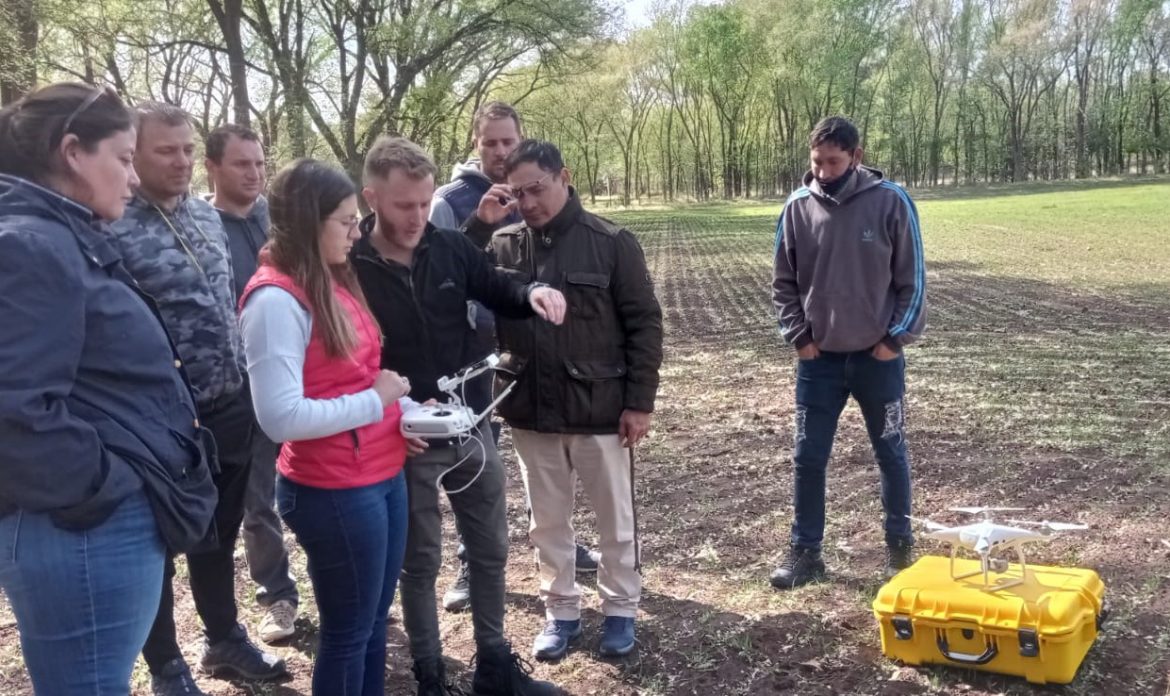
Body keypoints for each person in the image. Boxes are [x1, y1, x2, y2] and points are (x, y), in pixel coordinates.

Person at [0, 82, 217, 694]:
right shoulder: (30, 245)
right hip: (82, 531)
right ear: (72, 151)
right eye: (124, 159)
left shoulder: (59, 234)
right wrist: (113, 486)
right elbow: (13, 412)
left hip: (86, 528)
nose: (132, 177)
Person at [352, 136, 564, 696]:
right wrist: (390, 415)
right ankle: (430, 675)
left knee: (491, 548)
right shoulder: (349, 267)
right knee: (419, 563)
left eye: (425, 203)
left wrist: (535, 292)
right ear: (371, 198)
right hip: (402, 439)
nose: (418, 216)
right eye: (404, 206)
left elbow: (497, 287)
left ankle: (494, 667)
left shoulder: (449, 247)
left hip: (469, 423)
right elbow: (346, 362)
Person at [109, 102, 286, 695]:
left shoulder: (208, 219)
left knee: (219, 533)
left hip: (229, 407)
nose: (182, 161)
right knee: (157, 545)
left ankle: (223, 641)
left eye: (187, 149)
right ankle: (165, 666)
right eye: (167, 150)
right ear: (132, 153)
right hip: (160, 423)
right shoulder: (110, 224)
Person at [240, 158, 416, 695]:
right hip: (335, 488)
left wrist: (402, 414)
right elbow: (280, 417)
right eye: (344, 220)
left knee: (372, 626)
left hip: (382, 473)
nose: (357, 230)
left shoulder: (333, 281)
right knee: (347, 633)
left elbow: (353, 379)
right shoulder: (275, 301)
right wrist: (375, 402)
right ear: (308, 221)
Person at [483, 140, 663, 661]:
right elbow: (460, 288)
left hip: (600, 410)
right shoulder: (503, 245)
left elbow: (644, 324)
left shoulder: (611, 242)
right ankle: (560, 611)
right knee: (547, 522)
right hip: (530, 408)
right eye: (518, 193)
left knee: (615, 518)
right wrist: (481, 225)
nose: (528, 202)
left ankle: (620, 609)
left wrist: (639, 403)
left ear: (565, 176)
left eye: (536, 189)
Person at [432, 101, 600, 614]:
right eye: (490, 143)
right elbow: (438, 274)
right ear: (476, 144)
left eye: (508, 141)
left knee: (542, 457)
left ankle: (561, 544)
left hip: (527, 351)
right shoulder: (450, 201)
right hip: (468, 359)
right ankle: (469, 561)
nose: (501, 152)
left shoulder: (536, 188)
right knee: (473, 461)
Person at [769, 115, 926, 590]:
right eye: (816, 162)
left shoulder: (891, 202)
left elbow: (912, 281)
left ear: (857, 157)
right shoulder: (797, 208)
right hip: (819, 363)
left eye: (833, 162)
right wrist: (801, 339)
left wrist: (892, 340)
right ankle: (805, 551)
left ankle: (900, 551)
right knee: (807, 456)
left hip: (878, 359)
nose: (823, 171)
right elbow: (783, 284)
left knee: (890, 452)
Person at [205, 123, 300, 643]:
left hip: (302, 381)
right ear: (212, 167)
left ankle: (339, 578)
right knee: (258, 501)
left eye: (260, 163)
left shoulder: (277, 221)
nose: (255, 173)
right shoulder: (199, 226)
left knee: (319, 485)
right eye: (242, 164)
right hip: (242, 393)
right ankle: (278, 596)